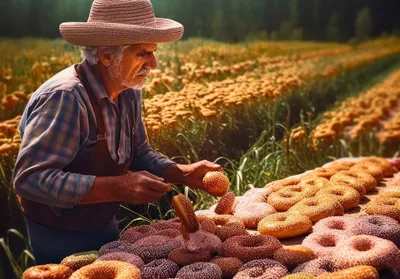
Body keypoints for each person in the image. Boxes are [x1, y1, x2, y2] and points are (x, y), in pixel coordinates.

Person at [12, 0, 221, 264]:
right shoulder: (66, 98)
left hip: (103, 221)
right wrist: (116, 188)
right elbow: (31, 179)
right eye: (143, 53)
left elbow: (139, 151)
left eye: (153, 52)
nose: (154, 64)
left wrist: (182, 172)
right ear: (107, 55)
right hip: (58, 235)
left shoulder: (128, 90)